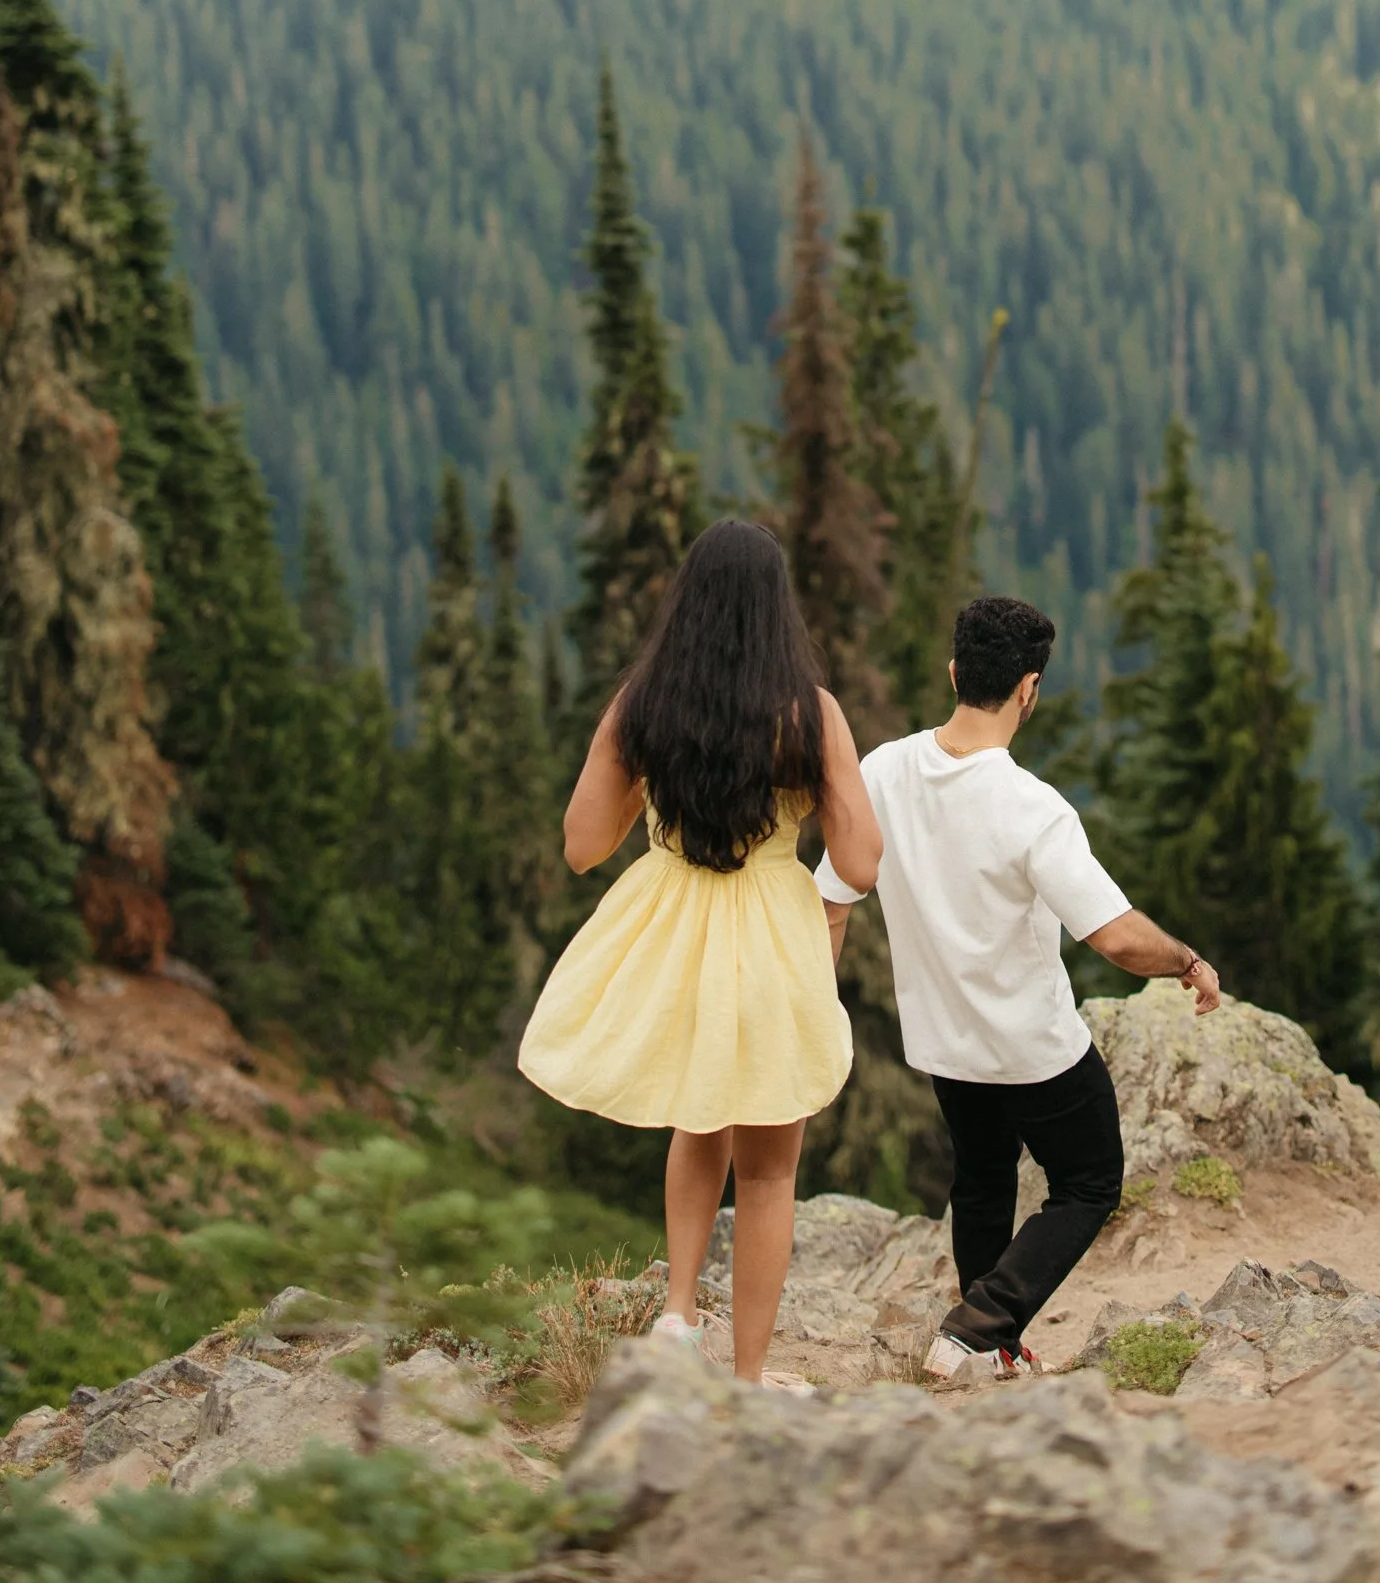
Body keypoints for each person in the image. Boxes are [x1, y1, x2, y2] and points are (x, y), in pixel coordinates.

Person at [816, 593, 1220, 1382]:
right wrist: (1186, 961)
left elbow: (832, 894)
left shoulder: (883, 770)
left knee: (982, 1178)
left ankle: (986, 1345)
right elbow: (1115, 936)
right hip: (1034, 1045)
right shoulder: (1033, 809)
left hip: (944, 1038)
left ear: (955, 672)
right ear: (1029, 688)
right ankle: (981, 1326)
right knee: (1089, 1181)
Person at [519, 518, 881, 1386]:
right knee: (769, 1173)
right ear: (777, 610)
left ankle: (678, 1312)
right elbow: (862, 861)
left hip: (673, 928)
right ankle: (746, 1378)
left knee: (698, 1114)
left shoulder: (642, 705)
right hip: (772, 935)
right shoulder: (811, 714)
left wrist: (646, 796)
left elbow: (581, 845)